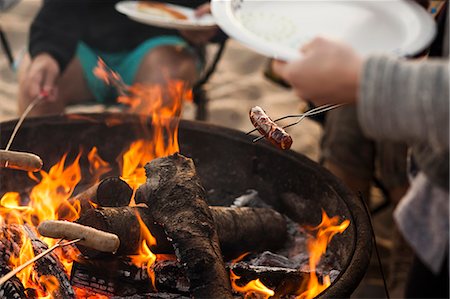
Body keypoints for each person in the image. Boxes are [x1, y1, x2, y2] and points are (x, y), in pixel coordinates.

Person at [273, 18, 449, 297]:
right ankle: (337, 254)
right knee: (344, 134)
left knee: (401, 156)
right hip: (394, 47)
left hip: (434, 147)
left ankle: (402, 269)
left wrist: (368, 81)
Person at [17, 0, 219, 116]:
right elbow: (59, 9)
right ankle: (39, 182)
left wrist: (218, 16)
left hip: (164, 44)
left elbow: (238, 9)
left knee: (167, 76)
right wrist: (48, 53)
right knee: (37, 84)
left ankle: (136, 181)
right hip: (84, 45)